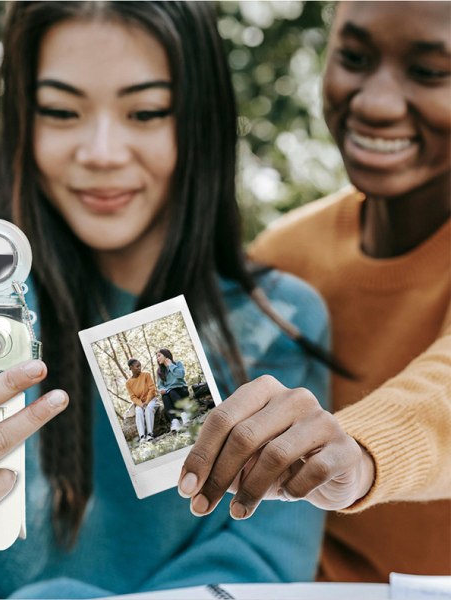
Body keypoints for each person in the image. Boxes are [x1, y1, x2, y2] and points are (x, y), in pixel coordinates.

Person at [0, 2, 332, 599]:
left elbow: (257, 562)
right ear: (23, 118)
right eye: (60, 111)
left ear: (203, 119)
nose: (101, 151)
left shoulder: (280, 320)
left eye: (146, 111)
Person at [178, 0, 450, 584]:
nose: (375, 102)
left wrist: (360, 450)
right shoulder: (287, 255)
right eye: (353, 58)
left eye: (431, 72)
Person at [156, 349, 189, 432]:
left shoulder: (177, 364)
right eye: (157, 357)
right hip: (169, 392)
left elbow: (180, 375)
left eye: (159, 356)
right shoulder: (159, 371)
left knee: (172, 392)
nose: (157, 358)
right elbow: (160, 386)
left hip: (181, 390)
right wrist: (162, 390)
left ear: (166, 355)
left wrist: (170, 365)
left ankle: (185, 416)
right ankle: (174, 422)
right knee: (165, 397)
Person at [125, 358, 157, 442]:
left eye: (140, 366)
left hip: (151, 400)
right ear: (131, 367)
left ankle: (150, 434)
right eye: (137, 366)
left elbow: (152, 389)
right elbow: (133, 397)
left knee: (149, 409)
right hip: (140, 403)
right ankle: (142, 436)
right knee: (138, 412)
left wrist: (146, 402)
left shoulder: (146, 375)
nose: (139, 368)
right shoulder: (128, 383)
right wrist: (141, 404)